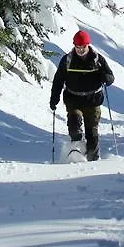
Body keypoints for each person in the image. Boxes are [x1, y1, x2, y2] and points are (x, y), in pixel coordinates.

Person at [49, 30, 114, 161]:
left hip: (93, 100)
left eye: (82, 47)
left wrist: (107, 78)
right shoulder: (67, 60)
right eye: (77, 47)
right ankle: (77, 152)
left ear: (88, 45)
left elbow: (110, 75)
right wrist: (54, 98)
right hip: (73, 99)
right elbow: (58, 80)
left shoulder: (97, 59)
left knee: (92, 132)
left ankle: (93, 159)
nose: (80, 50)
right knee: (74, 124)